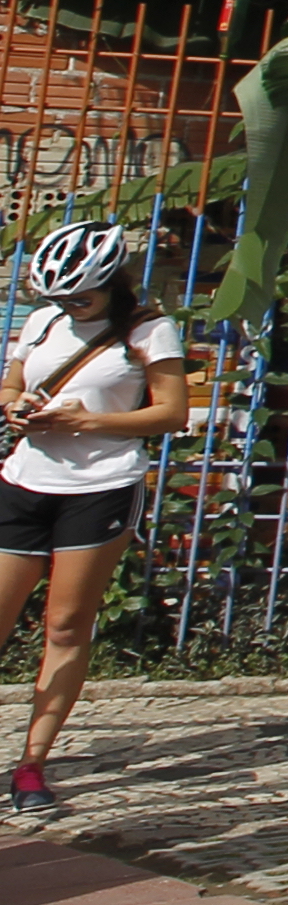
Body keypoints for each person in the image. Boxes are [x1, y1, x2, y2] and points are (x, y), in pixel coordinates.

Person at [0, 218, 187, 818]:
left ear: (113, 283)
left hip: (99, 488)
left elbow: (172, 414)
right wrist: (17, 406)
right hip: (24, 482)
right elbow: (9, 385)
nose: (70, 307)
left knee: (64, 625)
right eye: (60, 298)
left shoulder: (149, 330)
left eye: (82, 297)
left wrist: (89, 421)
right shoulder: (42, 323)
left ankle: (31, 764)